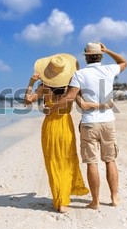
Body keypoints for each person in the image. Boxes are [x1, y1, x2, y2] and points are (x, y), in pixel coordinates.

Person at [46, 42, 127, 210]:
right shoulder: (109, 70)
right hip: (107, 121)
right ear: (101, 55)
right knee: (110, 160)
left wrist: (52, 107)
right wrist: (108, 50)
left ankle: (96, 202)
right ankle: (114, 197)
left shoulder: (79, 74)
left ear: (86, 57)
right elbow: (124, 62)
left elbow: (69, 97)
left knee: (92, 163)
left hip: (89, 124)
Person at [24, 53, 92, 213]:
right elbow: (83, 105)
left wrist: (31, 82)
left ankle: (60, 200)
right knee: (67, 161)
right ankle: (64, 198)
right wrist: (102, 106)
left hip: (50, 127)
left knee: (53, 162)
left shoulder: (43, 87)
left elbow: (27, 101)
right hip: (65, 125)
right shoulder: (72, 88)